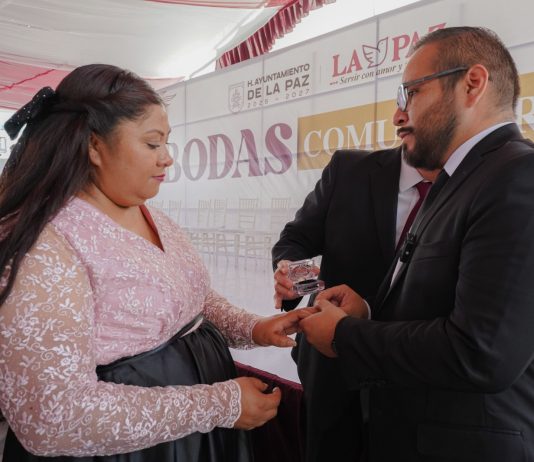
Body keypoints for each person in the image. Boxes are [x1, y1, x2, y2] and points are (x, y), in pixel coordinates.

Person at [0, 64, 311, 461]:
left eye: (167, 143)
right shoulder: (45, 245)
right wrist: (220, 404)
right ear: (94, 145)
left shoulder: (152, 215)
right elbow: (54, 419)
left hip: (191, 438)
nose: (167, 159)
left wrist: (254, 327)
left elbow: (190, 299)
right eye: (152, 144)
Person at [300, 26, 534, 461]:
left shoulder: (519, 176)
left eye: (411, 93)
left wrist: (345, 335)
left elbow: (481, 352)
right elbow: (439, 307)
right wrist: (367, 312)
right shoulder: (458, 181)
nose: (398, 115)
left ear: (472, 83)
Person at [272, 147, 437, 462]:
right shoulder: (348, 169)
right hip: (331, 367)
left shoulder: (472, 182)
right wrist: (296, 278)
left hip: (416, 370)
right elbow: (296, 239)